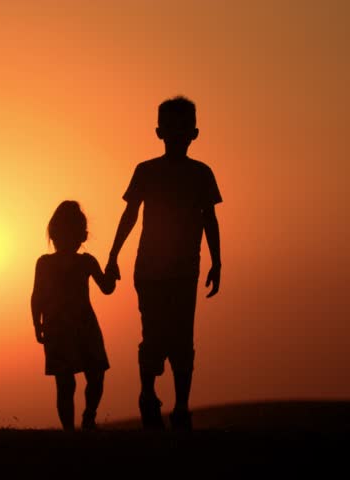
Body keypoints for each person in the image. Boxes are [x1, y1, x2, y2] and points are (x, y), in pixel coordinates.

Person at [105, 96, 222, 431]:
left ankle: (182, 406)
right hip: (151, 270)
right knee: (154, 334)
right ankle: (148, 393)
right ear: (159, 132)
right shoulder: (146, 171)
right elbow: (130, 214)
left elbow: (209, 219)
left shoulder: (202, 174)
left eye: (182, 128)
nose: (176, 134)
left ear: (194, 133)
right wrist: (113, 255)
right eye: (170, 128)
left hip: (186, 271)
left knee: (183, 337)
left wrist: (217, 262)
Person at [31, 200, 117, 431]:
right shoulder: (48, 263)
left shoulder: (83, 262)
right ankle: (74, 427)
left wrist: (37, 325)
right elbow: (37, 295)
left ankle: (85, 420)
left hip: (72, 325)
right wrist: (36, 324)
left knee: (87, 377)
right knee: (71, 381)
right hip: (65, 326)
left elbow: (107, 287)